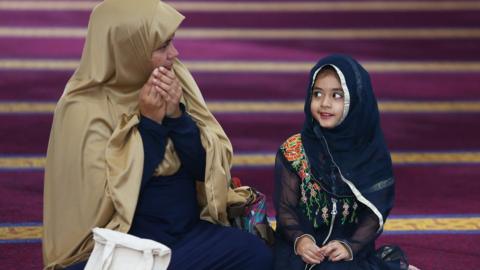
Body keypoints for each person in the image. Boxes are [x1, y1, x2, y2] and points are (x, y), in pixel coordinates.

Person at [42, 0, 272, 269]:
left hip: (187, 235)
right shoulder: (82, 107)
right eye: (162, 46)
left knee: (256, 254)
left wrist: (177, 118)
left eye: (171, 41)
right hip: (124, 244)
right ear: (130, 51)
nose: (174, 53)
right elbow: (103, 204)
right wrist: (150, 125)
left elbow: (204, 171)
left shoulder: (176, 80)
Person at [273, 54, 418, 270]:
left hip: (348, 252)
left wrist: (350, 246)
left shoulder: (369, 152)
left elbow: (375, 212)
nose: (324, 103)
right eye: (317, 93)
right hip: (299, 249)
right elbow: (285, 209)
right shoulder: (294, 149)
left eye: (337, 95)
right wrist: (301, 240)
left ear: (356, 99)